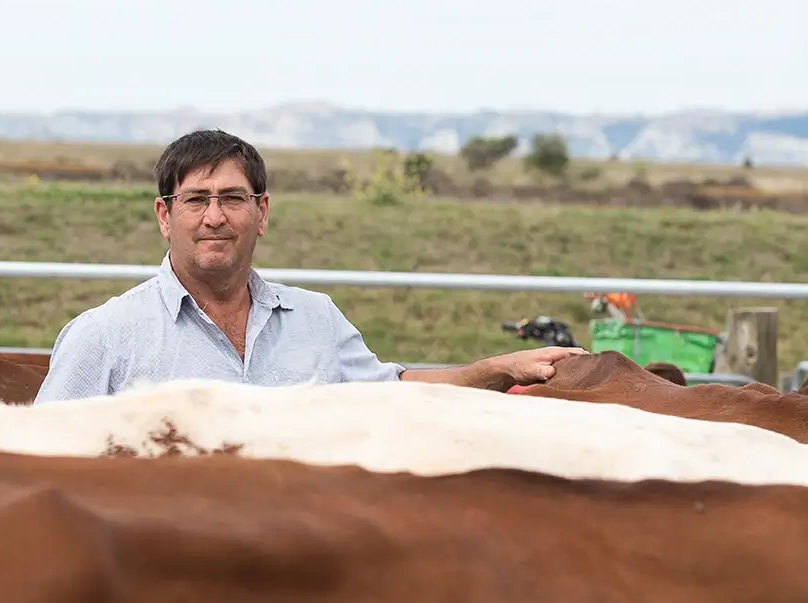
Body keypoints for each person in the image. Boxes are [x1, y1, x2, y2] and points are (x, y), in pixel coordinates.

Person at [33, 129, 585, 404]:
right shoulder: (104, 337)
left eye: (233, 199)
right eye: (196, 200)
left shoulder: (314, 317)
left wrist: (495, 370)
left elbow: (391, 392)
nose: (215, 217)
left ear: (262, 212)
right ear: (164, 215)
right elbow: (40, 468)